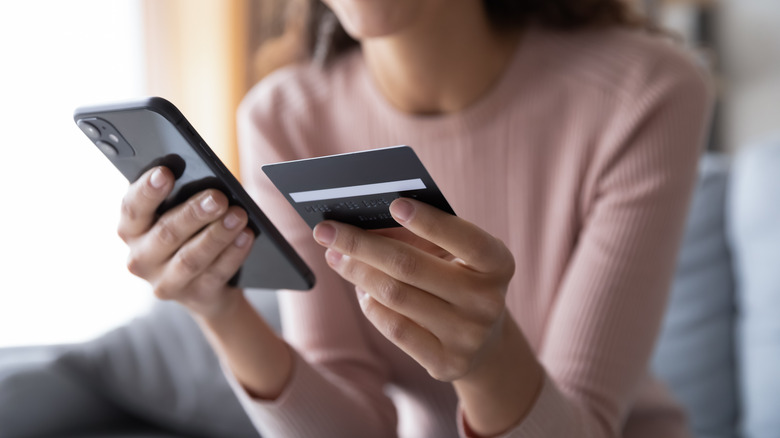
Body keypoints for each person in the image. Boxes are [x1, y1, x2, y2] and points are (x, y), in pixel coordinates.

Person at [116, 0, 712, 436]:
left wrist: (488, 360)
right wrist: (218, 309)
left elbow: (585, 422)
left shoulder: (645, 92)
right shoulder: (285, 117)